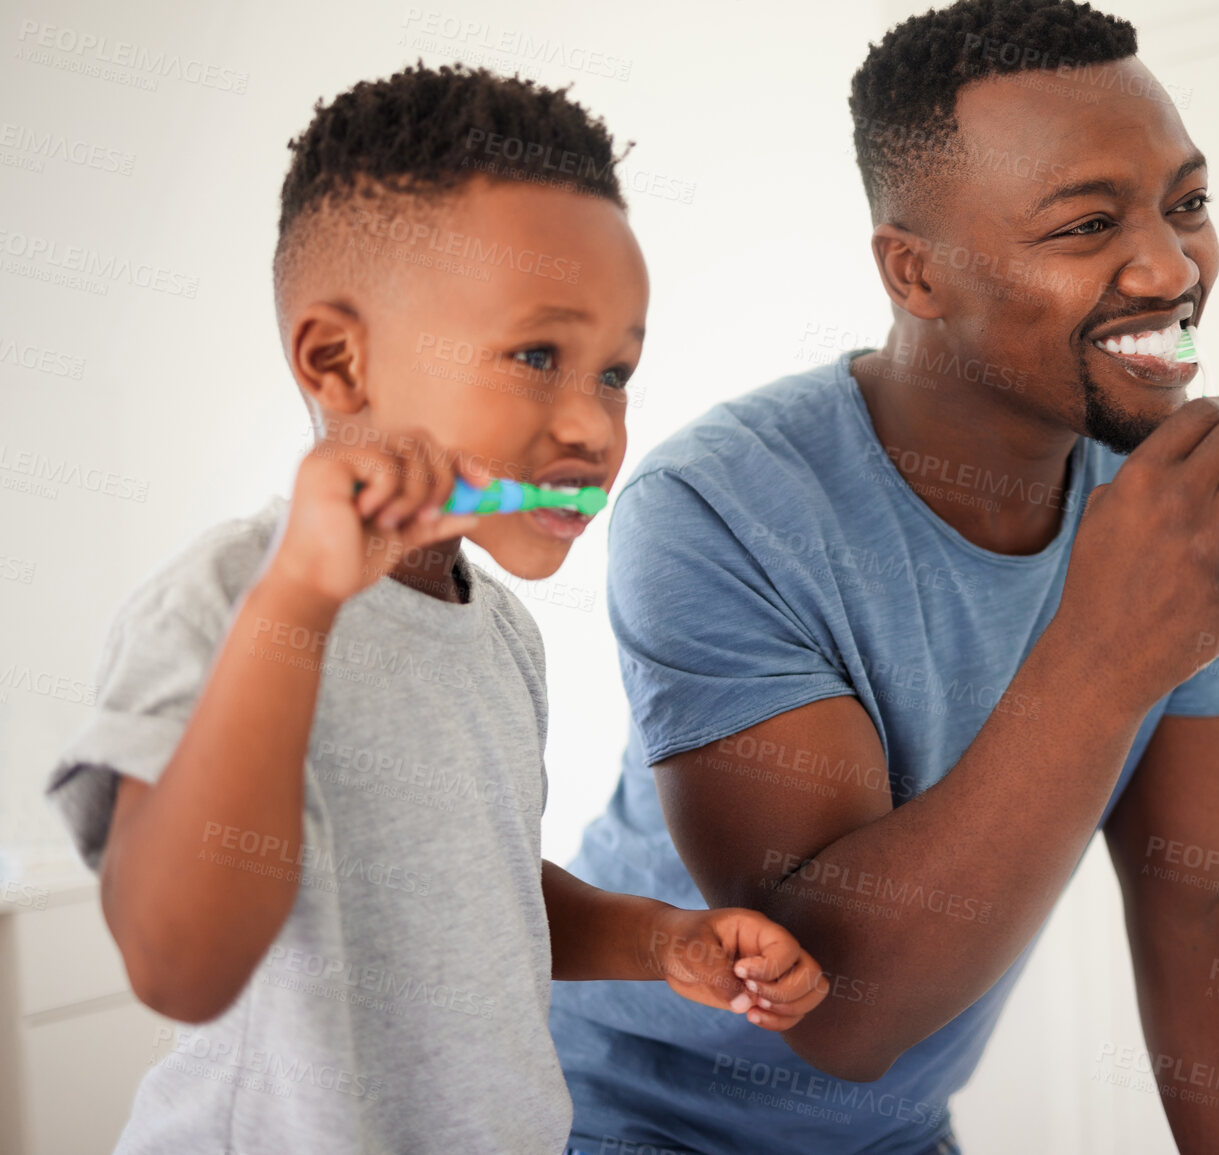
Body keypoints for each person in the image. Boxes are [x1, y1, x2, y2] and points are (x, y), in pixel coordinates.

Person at [547, 2, 1219, 1153]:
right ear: (916, 273)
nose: (1167, 264)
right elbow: (842, 1014)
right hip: (620, 1122)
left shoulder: (1151, 505)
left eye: (1187, 204)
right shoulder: (715, 508)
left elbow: (1198, 900)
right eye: (1088, 223)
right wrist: (1111, 648)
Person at [44, 63, 826, 1155]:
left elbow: (476, 903)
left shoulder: (494, 631)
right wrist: (303, 603)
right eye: (538, 355)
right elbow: (180, 964)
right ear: (337, 360)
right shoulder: (224, 602)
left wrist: (657, 941)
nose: (595, 427)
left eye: (615, 373)